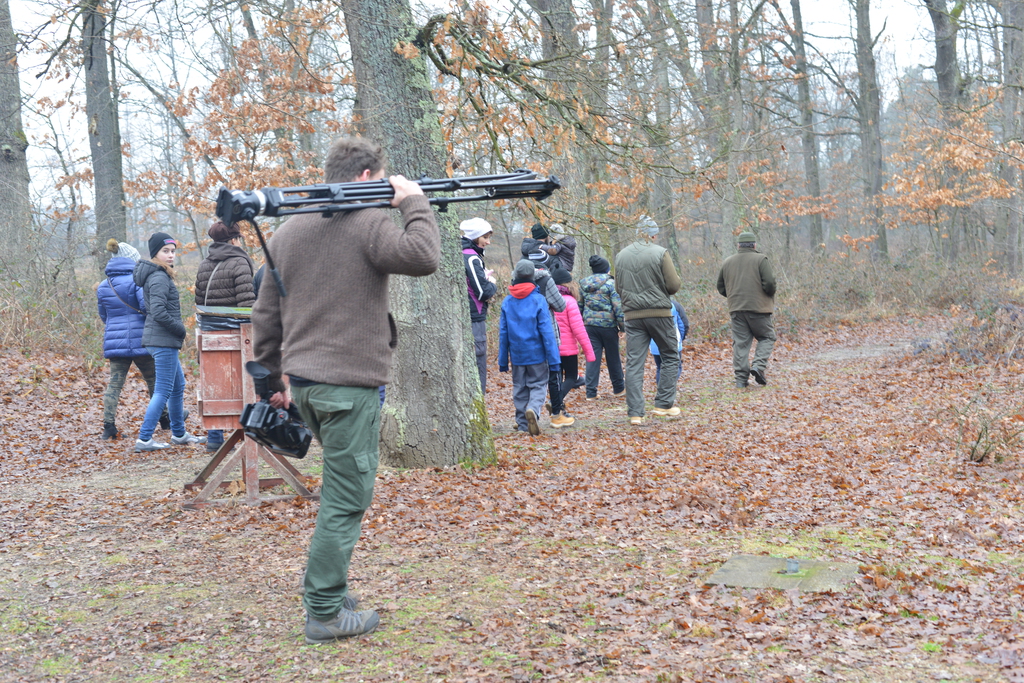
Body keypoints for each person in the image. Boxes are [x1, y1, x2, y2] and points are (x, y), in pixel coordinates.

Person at [251, 136, 440, 643]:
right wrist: (413, 201)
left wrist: (269, 381)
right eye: (380, 180)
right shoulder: (370, 221)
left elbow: (264, 315)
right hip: (347, 389)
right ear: (363, 178)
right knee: (347, 498)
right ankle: (326, 611)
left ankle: (326, 588)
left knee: (337, 492)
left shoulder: (288, 231)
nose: (385, 188)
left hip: (307, 389)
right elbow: (423, 256)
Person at [132, 233, 207, 451]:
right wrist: (180, 329)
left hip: (163, 339)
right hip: (163, 339)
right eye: (166, 251)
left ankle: (179, 434)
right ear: (155, 253)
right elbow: (157, 311)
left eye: (173, 251)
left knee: (178, 385)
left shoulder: (160, 275)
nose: (171, 255)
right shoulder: (158, 277)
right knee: (163, 390)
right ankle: (144, 438)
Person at [194, 220, 256, 452]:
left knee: (215, 385)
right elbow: (248, 305)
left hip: (210, 332)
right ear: (234, 240)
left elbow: (200, 303)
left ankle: (215, 437)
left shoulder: (203, 264)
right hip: (238, 333)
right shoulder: (240, 262)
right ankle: (254, 431)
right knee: (245, 385)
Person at [614, 216, 682, 425]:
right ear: (652, 234)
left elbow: (618, 288)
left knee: (634, 362)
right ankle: (663, 404)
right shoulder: (660, 252)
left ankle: (635, 413)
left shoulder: (621, 255)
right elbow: (673, 285)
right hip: (659, 313)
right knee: (671, 356)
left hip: (632, 316)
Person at [98, 239, 156, 440]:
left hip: (116, 342)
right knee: (153, 381)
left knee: (114, 384)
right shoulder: (137, 282)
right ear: (133, 260)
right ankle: (164, 418)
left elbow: (104, 315)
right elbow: (147, 309)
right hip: (141, 340)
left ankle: (108, 426)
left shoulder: (104, 285)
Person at [498, 260, 561, 436]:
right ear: (532, 277)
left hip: (517, 355)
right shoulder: (539, 300)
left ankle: (522, 423)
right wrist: (554, 360)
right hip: (537, 354)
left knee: (519, 387)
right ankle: (533, 409)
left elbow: (503, 333)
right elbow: (547, 333)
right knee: (539, 385)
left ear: (516, 276)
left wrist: (503, 360)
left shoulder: (507, 302)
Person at [716, 231, 777, 388]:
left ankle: (741, 380)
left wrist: (733, 297)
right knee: (767, 337)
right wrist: (767, 295)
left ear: (738, 245)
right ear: (754, 245)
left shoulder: (727, 262)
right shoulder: (761, 259)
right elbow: (769, 283)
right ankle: (758, 365)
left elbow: (721, 287)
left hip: (736, 309)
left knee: (741, 343)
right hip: (759, 308)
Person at [551, 267, 595, 427]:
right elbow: (578, 329)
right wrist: (589, 351)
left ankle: (558, 408)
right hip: (568, 348)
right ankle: (556, 403)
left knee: (556, 379)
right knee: (571, 377)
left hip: (551, 347)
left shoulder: (547, 300)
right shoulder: (569, 301)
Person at [579, 255, 625, 399]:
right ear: (606, 269)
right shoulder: (611, 284)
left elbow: (579, 306)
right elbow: (618, 307)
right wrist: (622, 327)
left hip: (589, 326)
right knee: (613, 358)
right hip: (608, 326)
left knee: (592, 358)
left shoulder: (583, 284)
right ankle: (619, 389)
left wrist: (580, 325)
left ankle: (591, 393)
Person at [460, 217, 497, 393]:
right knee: (478, 362)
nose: (488, 242)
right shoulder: (472, 258)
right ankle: (478, 401)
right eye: (485, 238)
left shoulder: (463, 254)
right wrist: (492, 283)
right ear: (475, 237)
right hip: (475, 318)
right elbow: (482, 292)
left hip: (466, 316)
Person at [650, 300, 689, 385]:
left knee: (660, 368)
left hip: (655, 344)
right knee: (676, 367)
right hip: (673, 342)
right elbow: (683, 324)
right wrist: (680, 339)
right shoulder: (674, 305)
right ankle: (667, 389)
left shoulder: (648, 306)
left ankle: (661, 390)